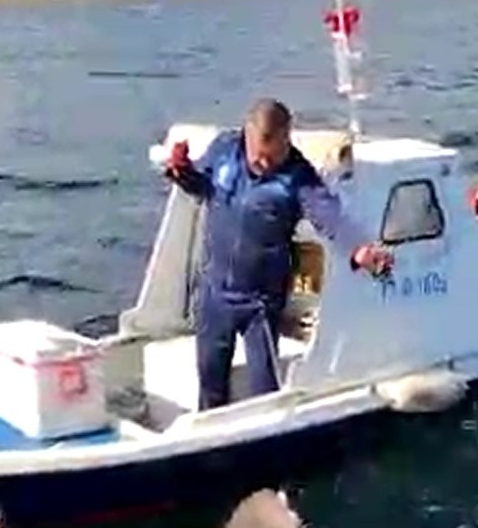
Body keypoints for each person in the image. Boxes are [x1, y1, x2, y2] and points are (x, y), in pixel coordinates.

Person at [164, 98, 393, 410]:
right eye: (258, 156)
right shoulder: (225, 149)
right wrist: (181, 172)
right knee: (210, 384)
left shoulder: (298, 177)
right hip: (214, 295)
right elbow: (203, 186)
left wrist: (360, 248)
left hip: (259, 303)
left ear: (287, 139)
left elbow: (329, 215)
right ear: (246, 135)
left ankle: (270, 434)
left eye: (272, 156)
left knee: (265, 392)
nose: (264, 163)